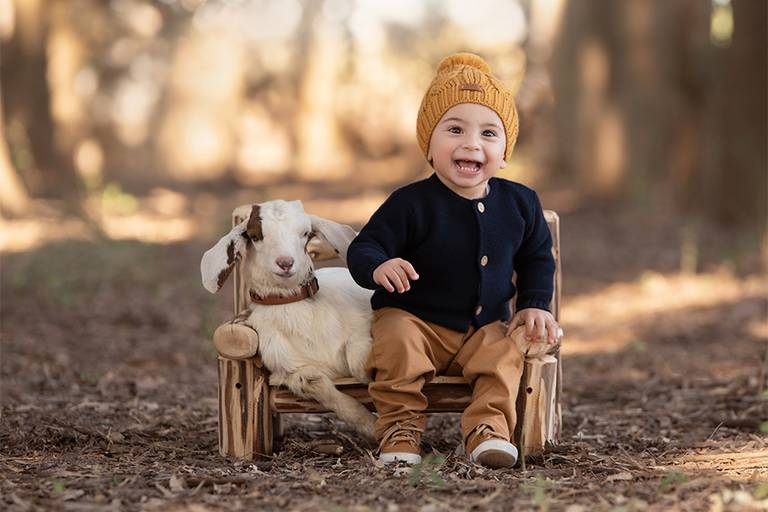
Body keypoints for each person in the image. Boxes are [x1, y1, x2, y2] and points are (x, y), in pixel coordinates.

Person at [346, 52, 562, 469]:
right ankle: (400, 429)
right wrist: (378, 266)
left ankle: (488, 430)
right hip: (418, 321)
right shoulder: (411, 203)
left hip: (484, 327)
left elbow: (537, 258)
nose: (471, 143)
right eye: (455, 129)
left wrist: (535, 303)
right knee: (396, 341)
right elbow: (366, 246)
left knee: (504, 353)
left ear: (504, 151)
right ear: (429, 144)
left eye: (488, 133)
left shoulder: (521, 203)